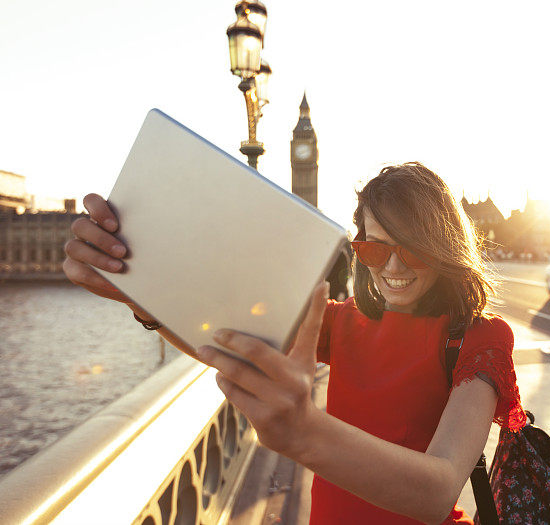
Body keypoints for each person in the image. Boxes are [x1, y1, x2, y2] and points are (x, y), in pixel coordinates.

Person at [63, 162, 524, 525]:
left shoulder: (482, 338)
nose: (392, 267)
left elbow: (437, 491)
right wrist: (140, 293)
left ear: (446, 249)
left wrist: (305, 432)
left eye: (413, 248)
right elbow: (224, 338)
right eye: (375, 248)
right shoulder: (341, 323)